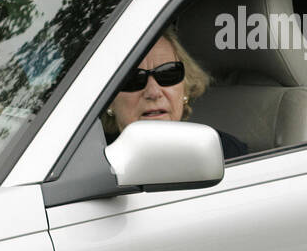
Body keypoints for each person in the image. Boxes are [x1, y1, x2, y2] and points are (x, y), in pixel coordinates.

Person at [102, 27, 248, 159]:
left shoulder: (223, 153)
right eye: (133, 79)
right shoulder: (88, 162)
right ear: (109, 100)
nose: (153, 92)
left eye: (168, 73)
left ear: (185, 88)